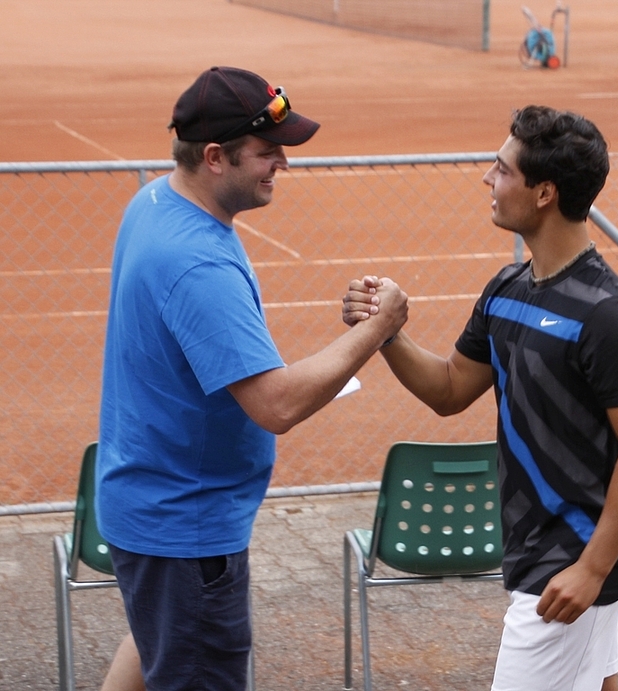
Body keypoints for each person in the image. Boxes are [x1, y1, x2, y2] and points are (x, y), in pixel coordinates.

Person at [95, 66, 408, 691]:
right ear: (215, 156)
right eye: (267, 152)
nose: (283, 164)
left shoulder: (158, 200)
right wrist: (378, 328)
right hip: (186, 527)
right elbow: (276, 404)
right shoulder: (197, 261)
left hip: (151, 505)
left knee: (156, 647)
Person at [342, 105, 618, 691]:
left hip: (567, 563)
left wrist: (591, 568)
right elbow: (448, 389)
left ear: (543, 193)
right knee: (598, 681)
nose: (487, 180)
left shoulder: (608, 315)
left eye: (501, 169)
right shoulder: (506, 290)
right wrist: (386, 332)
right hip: (543, 553)